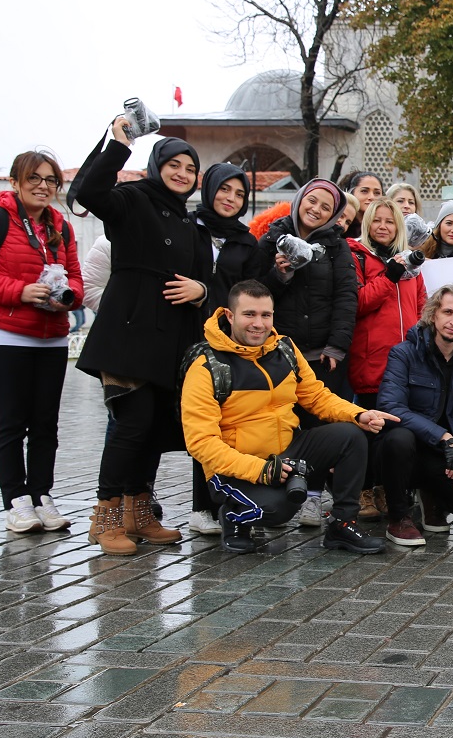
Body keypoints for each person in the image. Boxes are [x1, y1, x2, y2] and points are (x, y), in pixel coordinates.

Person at [71, 118, 212, 554]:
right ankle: (105, 516)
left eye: (190, 168)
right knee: (130, 425)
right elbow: (90, 192)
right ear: (156, 165)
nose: (182, 174)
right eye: (174, 164)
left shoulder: (192, 226)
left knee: (151, 428)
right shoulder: (132, 199)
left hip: (170, 339)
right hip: (128, 333)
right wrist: (118, 144)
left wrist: (201, 289)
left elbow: (207, 278)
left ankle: (138, 512)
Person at [182, 280, 396, 555]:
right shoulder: (206, 366)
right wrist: (260, 471)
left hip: (284, 451)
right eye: (249, 314)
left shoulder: (285, 349)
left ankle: (343, 524)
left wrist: (359, 413)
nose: (259, 324)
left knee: (351, 435)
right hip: (235, 467)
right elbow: (201, 443)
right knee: (279, 510)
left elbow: (317, 397)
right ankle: (233, 518)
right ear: (230, 316)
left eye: (266, 315)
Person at [0, 150, 82, 533]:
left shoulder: (61, 226)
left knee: (46, 423)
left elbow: (74, 275)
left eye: (50, 180)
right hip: (2, 334)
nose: (43, 186)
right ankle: (16, 501)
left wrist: (67, 296)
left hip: (51, 336)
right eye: (34, 179)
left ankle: (42, 495)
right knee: (12, 421)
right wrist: (19, 292)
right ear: (14, 182)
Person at [257, 178, 360, 522]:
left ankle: (313, 495)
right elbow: (255, 293)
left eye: (326, 207)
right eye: (312, 201)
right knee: (276, 424)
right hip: (277, 352)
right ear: (299, 199)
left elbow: (347, 298)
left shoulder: (337, 246)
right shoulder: (272, 237)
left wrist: (337, 345)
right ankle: (271, 492)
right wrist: (279, 275)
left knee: (319, 427)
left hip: (320, 355)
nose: (316, 210)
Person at [377, 283, 453, 544]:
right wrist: (443, 436)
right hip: (407, 454)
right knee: (399, 438)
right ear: (433, 314)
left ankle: (432, 495)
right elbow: (390, 406)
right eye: (447, 312)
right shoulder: (404, 353)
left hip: (446, 461)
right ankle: (398, 516)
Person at [184, 164, 261, 536]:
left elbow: (250, 291)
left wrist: (205, 294)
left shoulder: (246, 241)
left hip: (229, 345)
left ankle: (228, 499)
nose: (231, 199)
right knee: (196, 423)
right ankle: (200, 506)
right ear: (209, 189)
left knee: (227, 423)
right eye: (224, 190)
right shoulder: (187, 228)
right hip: (185, 338)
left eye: (239, 194)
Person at [347, 196, 427, 518]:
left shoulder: (411, 264)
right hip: (371, 359)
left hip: (406, 361)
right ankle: (363, 490)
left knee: (397, 430)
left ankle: (384, 488)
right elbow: (358, 302)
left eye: (389, 221)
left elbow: (422, 306)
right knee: (369, 427)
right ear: (368, 224)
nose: (383, 226)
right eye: (377, 220)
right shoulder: (357, 256)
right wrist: (389, 276)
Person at [341, 171, 385, 238]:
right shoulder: (340, 221)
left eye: (377, 193)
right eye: (364, 191)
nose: (371, 197)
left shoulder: (385, 228)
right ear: (352, 193)